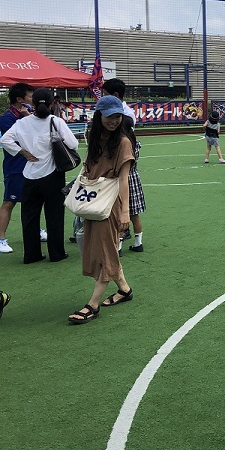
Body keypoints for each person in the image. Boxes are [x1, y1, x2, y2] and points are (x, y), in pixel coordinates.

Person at [67, 95, 135, 324]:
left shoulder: (123, 142)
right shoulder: (94, 137)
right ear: (99, 116)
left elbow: (124, 180)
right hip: (93, 200)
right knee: (104, 249)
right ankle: (124, 289)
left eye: (117, 116)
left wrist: (125, 212)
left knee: (105, 253)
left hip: (110, 204)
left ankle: (92, 305)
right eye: (109, 116)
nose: (114, 121)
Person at [0, 87, 77, 263]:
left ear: (32, 104)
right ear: (51, 104)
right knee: (54, 216)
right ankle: (57, 253)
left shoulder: (22, 123)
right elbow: (72, 144)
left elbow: (5, 140)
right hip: (52, 174)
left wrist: (22, 152)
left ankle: (32, 254)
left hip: (29, 174)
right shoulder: (56, 122)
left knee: (29, 217)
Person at [102, 79, 147, 252]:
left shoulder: (121, 144)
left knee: (119, 212)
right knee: (134, 214)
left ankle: (118, 245)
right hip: (134, 179)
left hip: (122, 180)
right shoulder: (135, 143)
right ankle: (138, 242)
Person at [0, 82, 40, 254]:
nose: (34, 99)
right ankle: (1, 239)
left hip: (32, 165)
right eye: (31, 96)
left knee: (33, 200)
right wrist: (27, 118)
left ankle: (35, 230)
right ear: (19, 99)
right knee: (10, 202)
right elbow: (20, 138)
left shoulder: (30, 114)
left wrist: (28, 116)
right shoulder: (6, 118)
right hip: (15, 167)